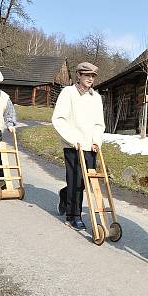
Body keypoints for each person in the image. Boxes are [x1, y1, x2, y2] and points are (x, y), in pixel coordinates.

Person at [51, 62, 105, 230]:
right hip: (73, 144)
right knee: (75, 180)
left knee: (84, 182)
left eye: (93, 76)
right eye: (87, 75)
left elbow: (99, 123)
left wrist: (96, 140)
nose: (90, 79)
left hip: (90, 145)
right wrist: (72, 139)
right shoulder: (68, 93)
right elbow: (58, 119)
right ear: (79, 76)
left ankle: (65, 194)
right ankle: (73, 215)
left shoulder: (96, 97)